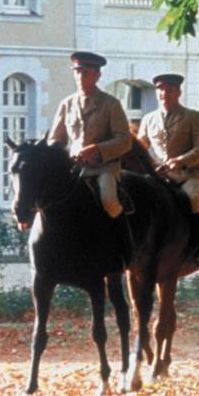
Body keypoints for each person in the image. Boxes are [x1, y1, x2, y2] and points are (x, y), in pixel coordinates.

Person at [49, 51, 135, 264]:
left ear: (96, 76)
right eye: (77, 72)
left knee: (109, 200)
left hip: (103, 168)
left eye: (85, 72)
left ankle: (123, 249)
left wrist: (96, 149)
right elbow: (56, 139)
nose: (79, 77)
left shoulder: (110, 104)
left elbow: (125, 140)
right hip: (75, 168)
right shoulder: (66, 104)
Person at [138, 73, 199, 264]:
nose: (164, 94)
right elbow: (141, 148)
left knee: (193, 196)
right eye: (161, 90)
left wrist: (180, 161)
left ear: (178, 92)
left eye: (169, 90)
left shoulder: (192, 117)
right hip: (157, 175)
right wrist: (151, 165)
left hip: (185, 174)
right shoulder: (148, 119)